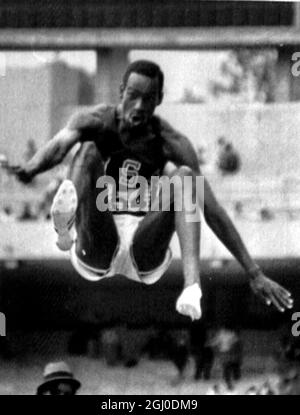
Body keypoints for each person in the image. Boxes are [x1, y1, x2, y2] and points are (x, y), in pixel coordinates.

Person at [10, 60, 293, 321]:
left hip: (143, 243)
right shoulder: (97, 120)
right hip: (99, 236)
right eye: (133, 95)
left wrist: (254, 273)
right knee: (88, 148)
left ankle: (192, 287)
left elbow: (213, 211)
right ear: (121, 91)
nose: (139, 105)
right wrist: (30, 169)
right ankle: (66, 230)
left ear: (159, 100)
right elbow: (60, 147)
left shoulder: (172, 143)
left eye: (148, 99)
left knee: (184, 177)